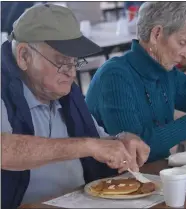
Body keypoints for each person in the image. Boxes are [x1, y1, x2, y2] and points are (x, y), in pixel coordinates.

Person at [1, 4, 150, 209]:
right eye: (62, 62)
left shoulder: (62, 90)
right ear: (24, 56)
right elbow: (4, 150)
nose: (71, 74)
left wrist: (119, 142)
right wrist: (87, 146)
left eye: (74, 63)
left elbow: (95, 140)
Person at [86, 2, 186, 162]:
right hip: (114, 182)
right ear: (156, 34)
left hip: (151, 175)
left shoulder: (165, 71)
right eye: (182, 43)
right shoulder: (114, 76)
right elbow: (137, 150)